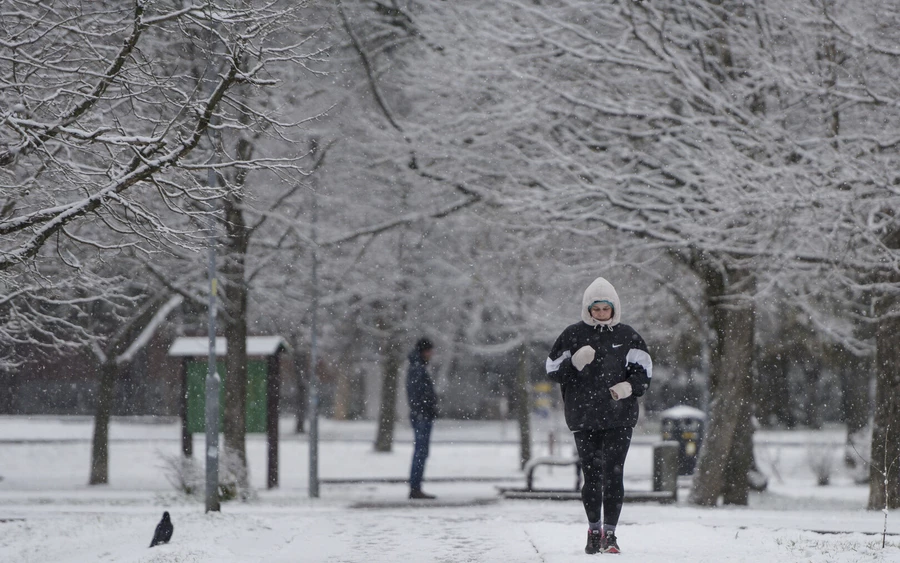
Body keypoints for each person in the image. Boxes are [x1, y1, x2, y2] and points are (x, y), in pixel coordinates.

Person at [545, 277, 652, 554]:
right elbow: (551, 369)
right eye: (596, 309)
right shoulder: (572, 335)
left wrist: (628, 387)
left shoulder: (628, 336)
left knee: (614, 476)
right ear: (587, 309)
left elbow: (644, 372)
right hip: (584, 417)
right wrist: (574, 363)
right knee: (592, 477)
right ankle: (594, 530)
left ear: (614, 308)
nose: (601, 313)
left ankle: (611, 535)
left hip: (619, 417)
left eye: (606, 308)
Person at [406, 337, 438, 499]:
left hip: (421, 415)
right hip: (422, 416)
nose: (432, 354)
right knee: (421, 452)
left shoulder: (417, 367)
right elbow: (419, 395)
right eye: (429, 350)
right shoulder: (418, 369)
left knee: (421, 451)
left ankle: (415, 486)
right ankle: (415, 487)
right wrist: (428, 408)